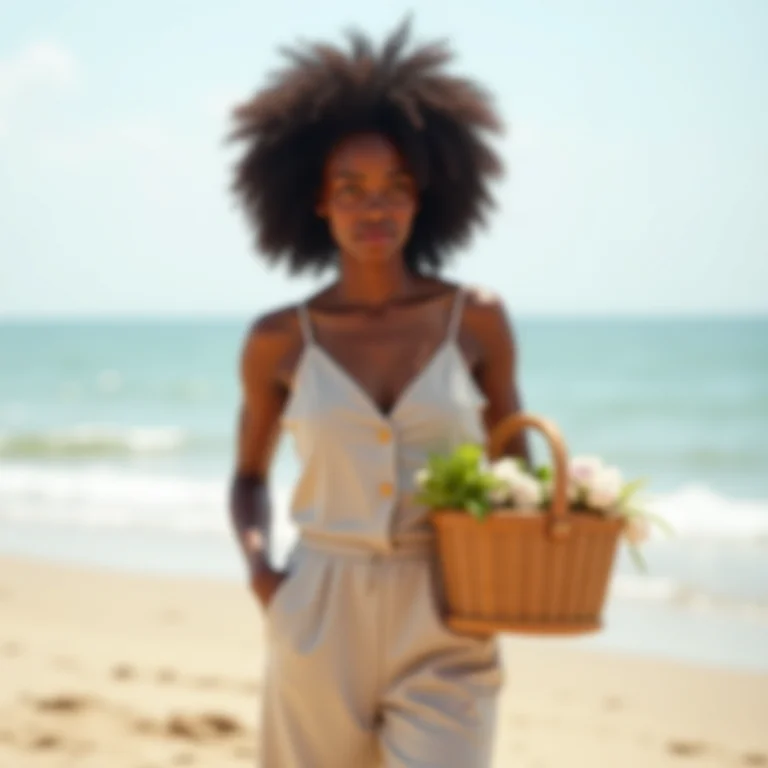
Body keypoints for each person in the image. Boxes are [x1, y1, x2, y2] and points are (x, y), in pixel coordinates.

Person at [228, 20, 530, 768]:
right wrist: (264, 574)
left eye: (395, 187)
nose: (375, 208)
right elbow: (248, 477)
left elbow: (517, 460)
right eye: (351, 189)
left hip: (448, 611)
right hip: (317, 606)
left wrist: (524, 546)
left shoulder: (478, 320)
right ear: (317, 204)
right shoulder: (280, 339)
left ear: (423, 196)